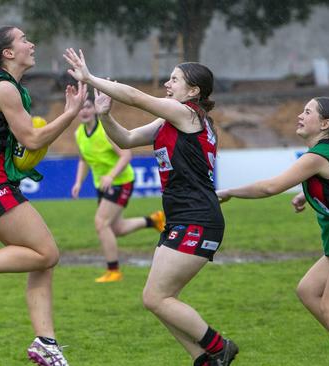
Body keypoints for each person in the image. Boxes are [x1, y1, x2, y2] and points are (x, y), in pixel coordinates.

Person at [64, 48, 238, 366]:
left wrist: (91, 79)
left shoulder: (187, 115)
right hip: (182, 218)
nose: (167, 84)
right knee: (156, 300)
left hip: (197, 218)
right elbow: (127, 139)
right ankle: (205, 360)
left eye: (174, 79)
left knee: (157, 298)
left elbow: (133, 96)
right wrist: (105, 115)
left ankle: (219, 347)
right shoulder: (172, 119)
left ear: (194, 91)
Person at [0, 26, 87, 366]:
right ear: (8, 53)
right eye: (24, 39)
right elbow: (34, 140)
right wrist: (70, 112)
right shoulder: (4, 88)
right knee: (47, 252)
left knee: (42, 258)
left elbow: (25, 142)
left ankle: (46, 343)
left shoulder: (10, 88)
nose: (31, 43)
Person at [217, 97, 329, 366]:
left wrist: (230, 192)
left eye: (307, 112)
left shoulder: (317, 156)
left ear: (324, 124)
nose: (300, 115)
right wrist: (306, 195)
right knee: (308, 291)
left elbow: (270, 187)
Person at [71, 94, 166, 283]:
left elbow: (126, 155)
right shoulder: (79, 134)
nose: (84, 111)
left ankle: (113, 270)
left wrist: (111, 176)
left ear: (95, 110)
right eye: (81, 108)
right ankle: (153, 220)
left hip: (120, 181)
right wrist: (78, 183)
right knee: (117, 228)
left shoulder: (105, 131)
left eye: (88, 107)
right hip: (102, 185)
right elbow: (83, 160)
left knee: (101, 223)